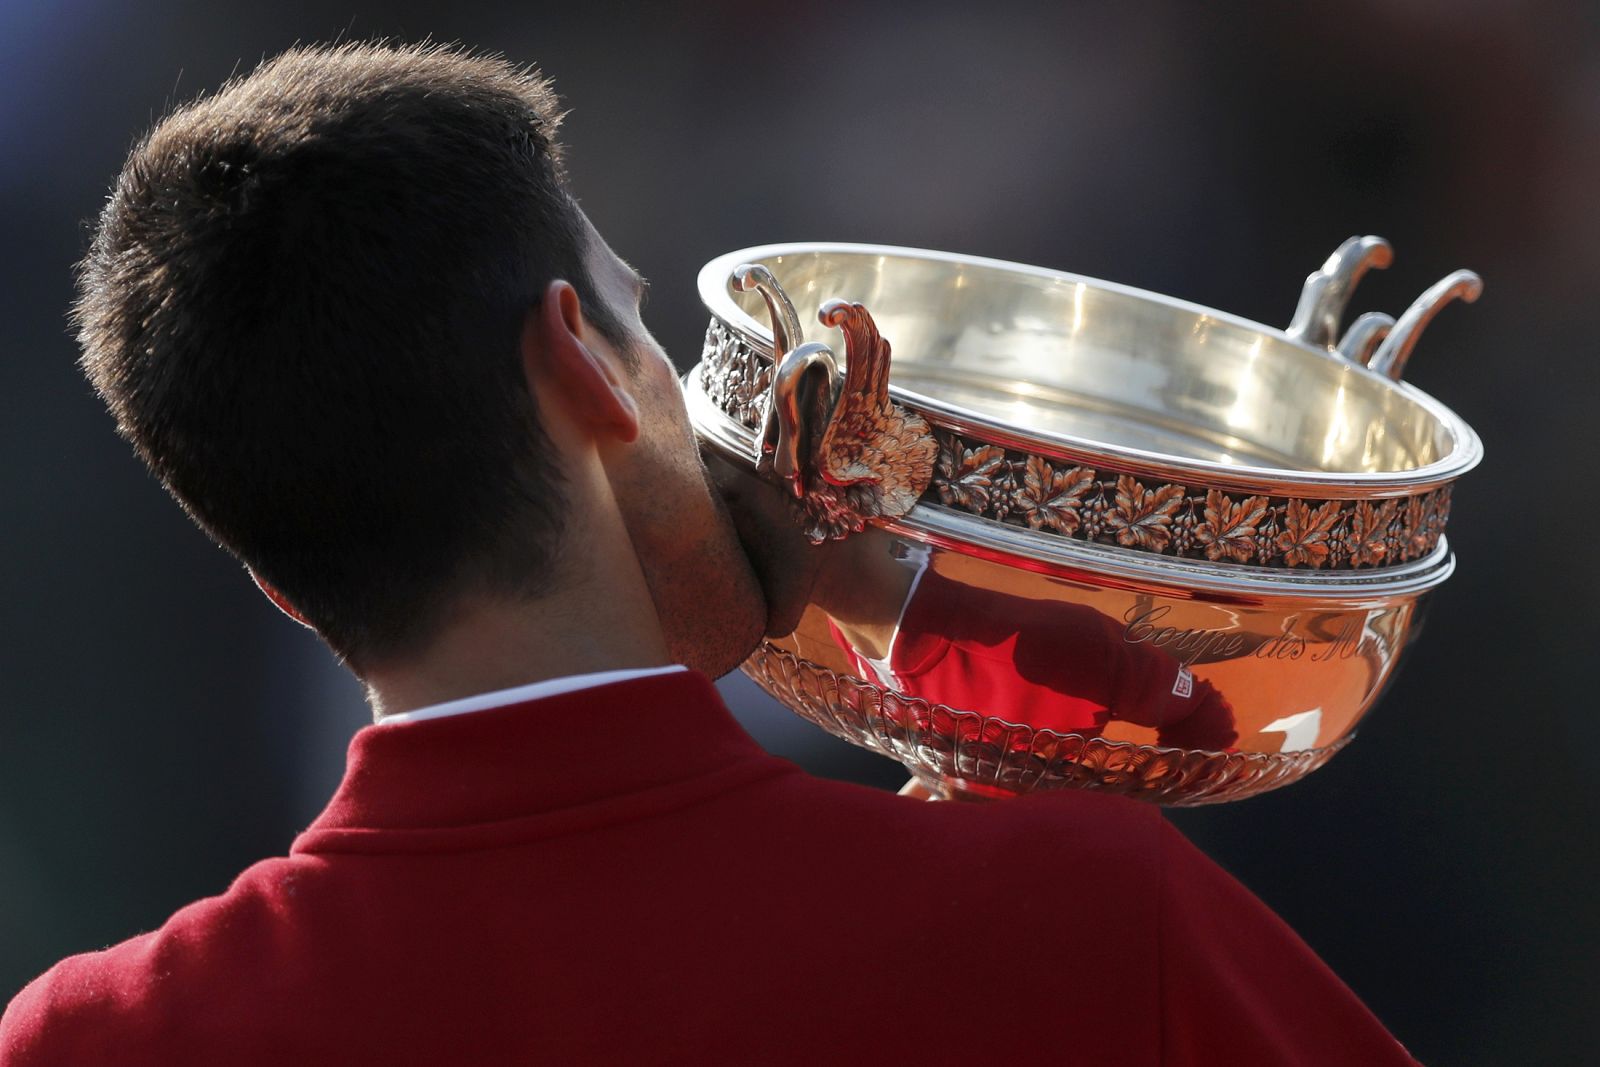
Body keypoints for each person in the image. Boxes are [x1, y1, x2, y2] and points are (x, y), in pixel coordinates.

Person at [0, 42, 1418, 1065]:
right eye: (644, 319)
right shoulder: (1073, 920)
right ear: (587, 367)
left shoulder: (101, 1037)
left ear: (281, 583)